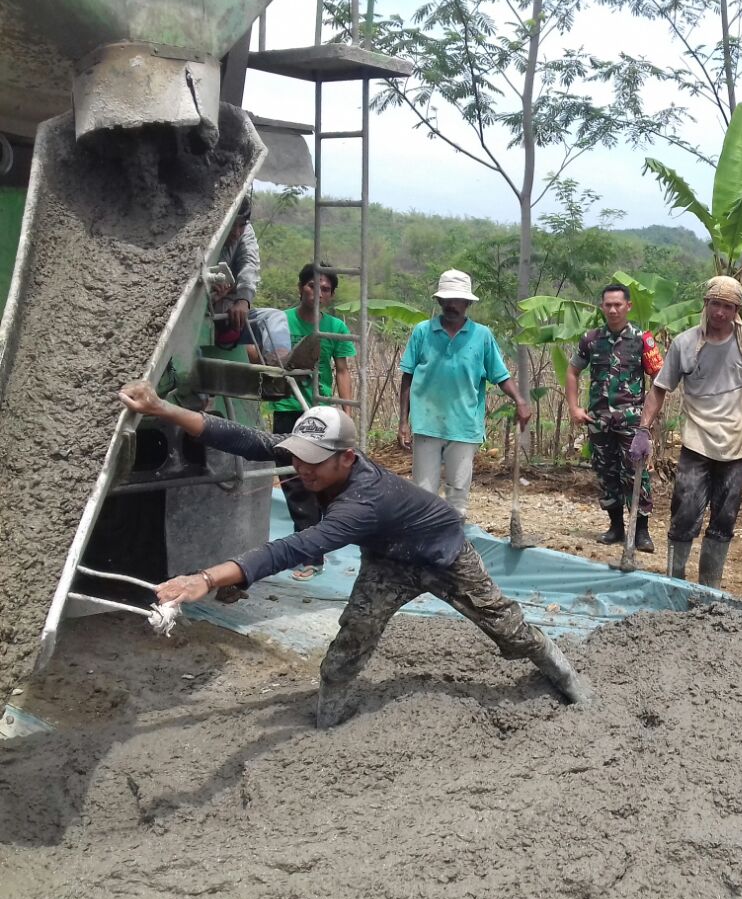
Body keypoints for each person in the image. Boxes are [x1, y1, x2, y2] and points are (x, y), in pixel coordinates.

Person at [118, 380, 592, 728]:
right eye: (297, 456)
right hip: (388, 561)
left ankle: (565, 677)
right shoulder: (313, 458)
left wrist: (206, 579)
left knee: (510, 631)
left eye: (313, 461)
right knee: (349, 644)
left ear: (347, 457)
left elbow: (297, 547)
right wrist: (161, 407)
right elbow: (245, 440)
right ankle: (328, 722)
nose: (301, 469)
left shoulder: (363, 503)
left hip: (443, 555)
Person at [632, 276, 742, 589]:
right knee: (685, 513)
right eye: (715, 304)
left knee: (724, 519)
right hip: (696, 444)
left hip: (735, 446)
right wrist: (643, 430)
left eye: (728, 306)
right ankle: (675, 583)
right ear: (705, 304)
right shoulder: (685, 343)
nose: (720, 312)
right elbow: (659, 389)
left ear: (737, 310)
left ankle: (710, 588)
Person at [398, 270, 531, 519]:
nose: (451, 305)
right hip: (427, 423)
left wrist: (520, 401)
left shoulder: (482, 336)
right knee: (423, 495)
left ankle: (453, 539)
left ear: (467, 303)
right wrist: (403, 422)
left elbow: (500, 375)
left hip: (464, 425)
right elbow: (408, 376)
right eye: (447, 299)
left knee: (457, 497)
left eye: (457, 300)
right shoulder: (422, 332)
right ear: (439, 300)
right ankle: (424, 541)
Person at [266, 262, 356, 581]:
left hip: (319, 412)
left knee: (320, 479)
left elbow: (342, 371)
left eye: (325, 289)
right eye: (312, 286)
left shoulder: (335, 327)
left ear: (331, 295)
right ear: (300, 287)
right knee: (293, 480)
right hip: (287, 407)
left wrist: (347, 414)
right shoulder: (280, 321)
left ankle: (316, 546)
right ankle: (311, 553)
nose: (318, 293)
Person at [566, 283, 664, 552]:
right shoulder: (591, 339)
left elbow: (660, 379)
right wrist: (574, 408)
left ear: (628, 306)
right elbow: (573, 371)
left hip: (632, 422)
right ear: (602, 307)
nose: (612, 310)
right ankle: (615, 527)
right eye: (608, 305)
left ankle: (641, 531)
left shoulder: (642, 340)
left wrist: (647, 420)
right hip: (599, 420)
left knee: (636, 474)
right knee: (606, 473)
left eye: (617, 305)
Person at [214, 194, 260, 347]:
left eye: (241, 225)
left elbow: (249, 263)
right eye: (232, 225)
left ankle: (282, 356)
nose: (236, 232)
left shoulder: (245, 231)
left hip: (231, 306)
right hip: (203, 309)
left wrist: (244, 300)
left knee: (274, 317)